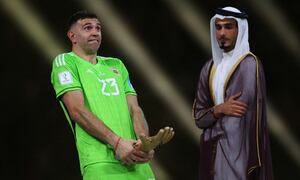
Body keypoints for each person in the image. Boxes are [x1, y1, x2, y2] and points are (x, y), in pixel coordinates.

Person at [51, 11, 174, 179]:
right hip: (101, 163)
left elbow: (134, 109)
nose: (95, 32)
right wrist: (116, 143)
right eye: (88, 28)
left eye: (98, 28)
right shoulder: (65, 62)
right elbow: (77, 110)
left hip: (135, 163)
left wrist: (143, 143)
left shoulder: (116, 65)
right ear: (72, 36)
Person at [192, 6, 273, 180]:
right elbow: (199, 118)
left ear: (240, 30)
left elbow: (237, 119)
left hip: (239, 158)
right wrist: (219, 109)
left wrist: (210, 124)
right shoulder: (209, 68)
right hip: (212, 158)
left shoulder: (249, 65)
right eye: (218, 27)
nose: (222, 33)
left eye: (228, 27)